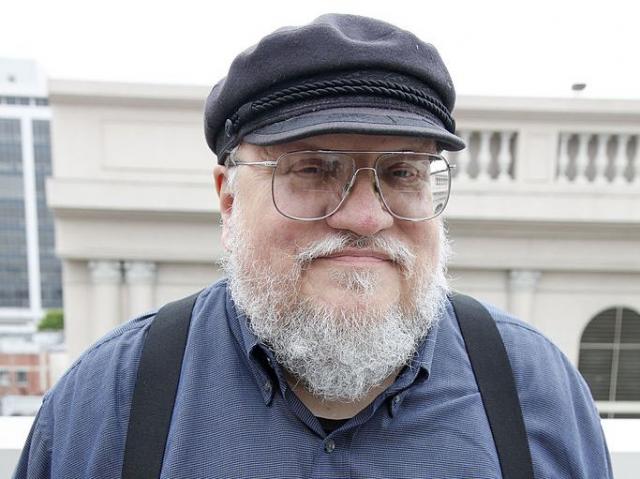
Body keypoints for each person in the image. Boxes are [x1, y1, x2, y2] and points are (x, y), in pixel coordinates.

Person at [15, 13, 612, 479]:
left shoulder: (534, 391)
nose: (366, 217)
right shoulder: (110, 399)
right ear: (228, 196)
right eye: (312, 170)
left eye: (402, 172)